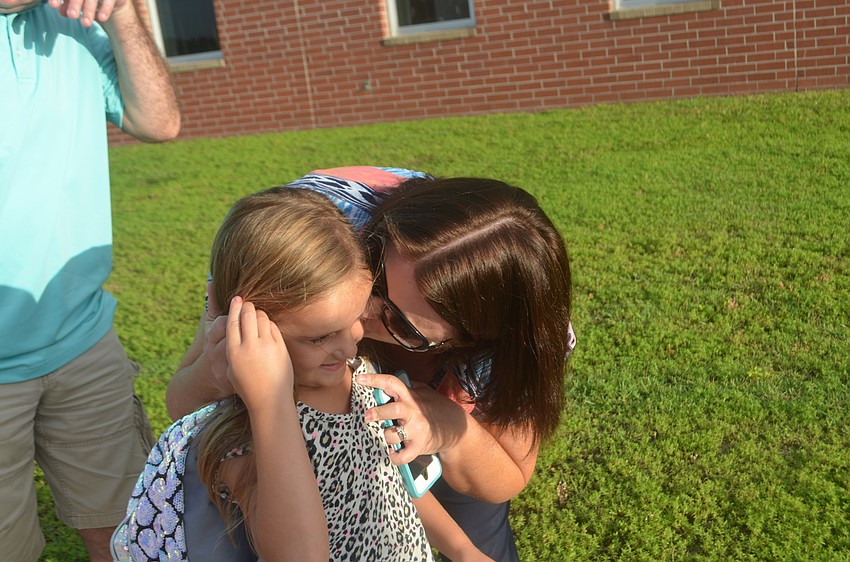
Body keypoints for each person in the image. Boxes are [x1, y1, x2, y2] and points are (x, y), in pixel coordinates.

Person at [167, 167, 575, 561]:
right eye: (375, 274)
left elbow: (495, 477)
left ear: (470, 339)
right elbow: (185, 404)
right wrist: (227, 376)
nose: (356, 322)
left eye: (400, 323)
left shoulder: (517, 336)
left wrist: (453, 430)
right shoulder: (304, 236)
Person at [113, 187, 492, 561]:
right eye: (320, 337)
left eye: (357, 319)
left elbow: (395, 481)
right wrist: (269, 404)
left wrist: (462, 550)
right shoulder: (242, 435)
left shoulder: (357, 377)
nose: (349, 348)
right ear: (244, 328)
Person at [0, 0, 180, 561]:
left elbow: (159, 121)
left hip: (82, 344)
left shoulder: (69, 26)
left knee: (131, 535)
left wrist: (123, 15)